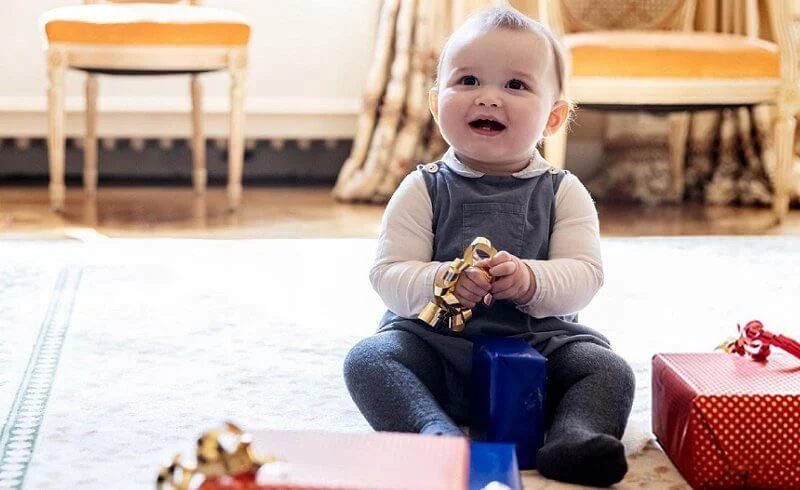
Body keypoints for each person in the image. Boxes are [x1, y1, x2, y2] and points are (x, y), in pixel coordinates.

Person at [343, 5, 635, 487]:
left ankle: (573, 438)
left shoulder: (563, 191)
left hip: (540, 349)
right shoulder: (423, 188)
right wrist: (440, 281)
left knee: (606, 369)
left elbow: (584, 277)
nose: (489, 99)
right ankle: (431, 435)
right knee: (369, 360)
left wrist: (530, 280)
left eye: (516, 86)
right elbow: (389, 273)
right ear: (437, 104)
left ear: (554, 117)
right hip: (434, 347)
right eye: (469, 80)